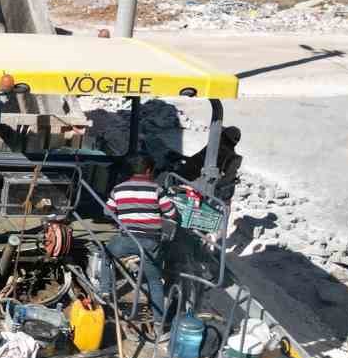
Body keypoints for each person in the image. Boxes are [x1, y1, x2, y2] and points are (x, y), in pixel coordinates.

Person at [102, 153, 176, 317]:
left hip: (126, 240)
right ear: (148, 171)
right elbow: (171, 214)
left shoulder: (118, 189)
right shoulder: (156, 189)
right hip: (151, 242)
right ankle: (158, 321)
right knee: (154, 280)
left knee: (106, 254)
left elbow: (107, 212)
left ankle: (105, 291)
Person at [170, 126, 243, 202]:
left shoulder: (216, 150)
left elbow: (197, 163)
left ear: (224, 136)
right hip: (212, 189)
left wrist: (181, 161)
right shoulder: (231, 156)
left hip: (194, 184)